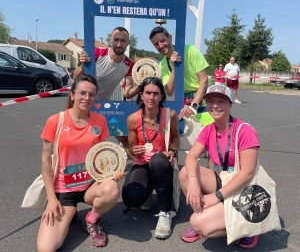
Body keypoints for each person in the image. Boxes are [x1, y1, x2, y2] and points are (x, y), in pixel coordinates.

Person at [37, 74, 126, 251]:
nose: (87, 98)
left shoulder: (99, 121)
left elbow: (101, 155)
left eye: (91, 94)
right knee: (46, 248)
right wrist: (52, 199)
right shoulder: (55, 121)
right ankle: (70, 214)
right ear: (72, 94)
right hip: (63, 190)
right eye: (82, 93)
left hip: (89, 185)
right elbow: (46, 161)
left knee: (111, 189)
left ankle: (92, 219)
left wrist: (111, 175)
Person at [178, 84, 260, 249]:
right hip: (223, 179)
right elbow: (192, 156)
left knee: (197, 223)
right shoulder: (209, 129)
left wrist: (216, 196)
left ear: (230, 104)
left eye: (221, 101)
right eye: (211, 101)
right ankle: (213, 216)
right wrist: (194, 182)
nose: (215, 105)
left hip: (244, 189)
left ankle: (245, 227)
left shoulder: (244, 130)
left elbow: (247, 173)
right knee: (186, 173)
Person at [122, 77, 180, 239]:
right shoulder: (133, 119)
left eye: (156, 93)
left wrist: (173, 151)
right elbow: (133, 149)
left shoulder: (170, 115)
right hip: (142, 163)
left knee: (158, 161)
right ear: (141, 95)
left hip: (162, 163)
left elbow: (175, 138)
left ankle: (164, 214)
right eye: (148, 93)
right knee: (131, 197)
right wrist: (135, 149)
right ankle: (147, 190)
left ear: (162, 96)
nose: (151, 97)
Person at [73, 26, 140, 160]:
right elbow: (75, 77)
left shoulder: (129, 65)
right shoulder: (97, 53)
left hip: (103, 106)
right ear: (111, 39)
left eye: (123, 40)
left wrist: (141, 84)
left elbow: (127, 93)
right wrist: (82, 65)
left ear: (128, 43)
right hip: (83, 103)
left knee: (125, 139)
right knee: (87, 141)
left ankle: (142, 167)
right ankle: (82, 170)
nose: (119, 44)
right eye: (116, 40)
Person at [149, 26, 214, 127]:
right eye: (156, 44)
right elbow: (169, 91)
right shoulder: (162, 64)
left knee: (212, 137)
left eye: (163, 40)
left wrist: (194, 105)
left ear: (170, 38)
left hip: (205, 101)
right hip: (184, 104)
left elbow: (204, 80)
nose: (160, 45)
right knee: (187, 140)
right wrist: (174, 67)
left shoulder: (189, 50)